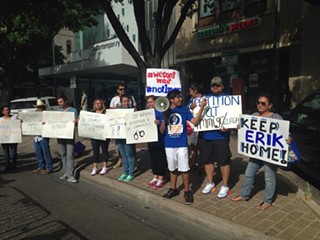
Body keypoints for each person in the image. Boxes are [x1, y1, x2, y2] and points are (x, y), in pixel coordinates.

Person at [231, 93, 287, 210]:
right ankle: (244, 195)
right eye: (258, 103)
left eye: (263, 103)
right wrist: (239, 128)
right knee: (249, 173)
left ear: (270, 105)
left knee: (269, 178)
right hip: (256, 152)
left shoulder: (276, 118)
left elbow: (284, 134)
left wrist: (288, 138)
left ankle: (267, 200)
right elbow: (246, 131)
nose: (260, 105)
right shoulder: (253, 116)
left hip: (269, 154)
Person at [160, 90, 207, 205]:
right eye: (177, 97)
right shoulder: (166, 111)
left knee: (185, 169)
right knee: (172, 168)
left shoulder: (184, 110)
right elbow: (162, 131)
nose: (180, 99)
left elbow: (195, 121)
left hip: (181, 144)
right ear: (171, 100)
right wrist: (164, 119)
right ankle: (173, 189)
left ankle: (187, 191)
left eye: (180, 97)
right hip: (169, 145)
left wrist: (201, 107)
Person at [199, 76, 231, 198]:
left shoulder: (228, 99)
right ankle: (210, 182)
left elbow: (234, 117)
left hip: (221, 137)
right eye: (213, 85)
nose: (215, 87)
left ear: (222, 86)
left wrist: (229, 126)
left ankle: (225, 185)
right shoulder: (205, 99)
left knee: (223, 161)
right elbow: (197, 112)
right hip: (207, 135)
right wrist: (194, 108)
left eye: (218, 85)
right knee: (207, 160)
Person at [110, 83, 137, 169]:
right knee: (121, 149)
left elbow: (136, 109)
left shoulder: (131, 98)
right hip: (119, 131)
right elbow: (110, 113)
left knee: (131, 151)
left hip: (129, 130)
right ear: (118, 90)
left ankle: (132, 167)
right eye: (121, 89)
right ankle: (121, 162)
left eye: (124, 89)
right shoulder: (114, 99)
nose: (122, 91)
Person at [146, 95, 167, 189]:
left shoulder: (161, 111)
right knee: (153, 158)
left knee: (160, 159)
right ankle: (155, 177)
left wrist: (159, 123)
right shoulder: (146, 113)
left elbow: (163, 127)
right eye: (148, 102)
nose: (150, 104)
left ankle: (161, 178)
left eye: (151, 102)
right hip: (150, 139)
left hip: (160, 139)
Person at [56, 95, 78, 183]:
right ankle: (66, 172)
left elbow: (76, 124)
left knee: (70, 156)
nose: (59, 104)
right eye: (58, 103)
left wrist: (76, 122)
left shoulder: (73, 110)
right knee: (63, 154)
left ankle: (70, 175)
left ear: (65, 101)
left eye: (61, 102)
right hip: (60, 136)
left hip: (69, 136)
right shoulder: (58, 111)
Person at [117, 95, 136, 182]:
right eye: (124, 101)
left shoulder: (133, 110)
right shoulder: (117, 111)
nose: (126, 103)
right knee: (123, 155)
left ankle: (131, 173)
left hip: (129, 136)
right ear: (121, 102)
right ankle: (125, 172)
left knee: (130, 155)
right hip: (119, 135)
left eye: (127, 101)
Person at [187, 82, 205, 170]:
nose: (190, 93)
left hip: (202, 126)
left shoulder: (204, 99)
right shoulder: (191, 100)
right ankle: (193, 163)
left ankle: (201, 165)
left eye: (191, 91)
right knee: (193, 146)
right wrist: (190, 107)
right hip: (193, 126)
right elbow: (187, 110)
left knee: (201, 146)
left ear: (195, 90)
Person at [90, 98, 110, 176]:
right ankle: (95, 167)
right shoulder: (91, 113)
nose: (98, 105)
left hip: (104, 135)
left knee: (104, 150)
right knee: (95, 151)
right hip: (94, 135)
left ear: (102, 104)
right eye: (96, 103)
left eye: (99, 103)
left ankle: (105, 166)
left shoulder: (106, 112)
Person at [32, 100, 53, 174]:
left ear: (43, 107)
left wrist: (46, 123)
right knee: (38, 152)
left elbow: (51, 123)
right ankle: (41, 167)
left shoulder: (46, 115)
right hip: (36, 136)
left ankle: (49, 167)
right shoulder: (34, 115)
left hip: (44, 136)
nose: (39, 108)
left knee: (46, 152)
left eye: (41, 107)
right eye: (38, 107)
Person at [0, 105, 19, 170]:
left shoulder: (14, 118)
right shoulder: (0, 120)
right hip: (4, 138)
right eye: (5, 110)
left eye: (8, 110)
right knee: (6, 152)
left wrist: (21, 122)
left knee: (14, 152)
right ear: (2, 112)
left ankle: (14, 165)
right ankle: (7, 165)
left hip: (14, 137)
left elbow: (19, 124)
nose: (7, 111)